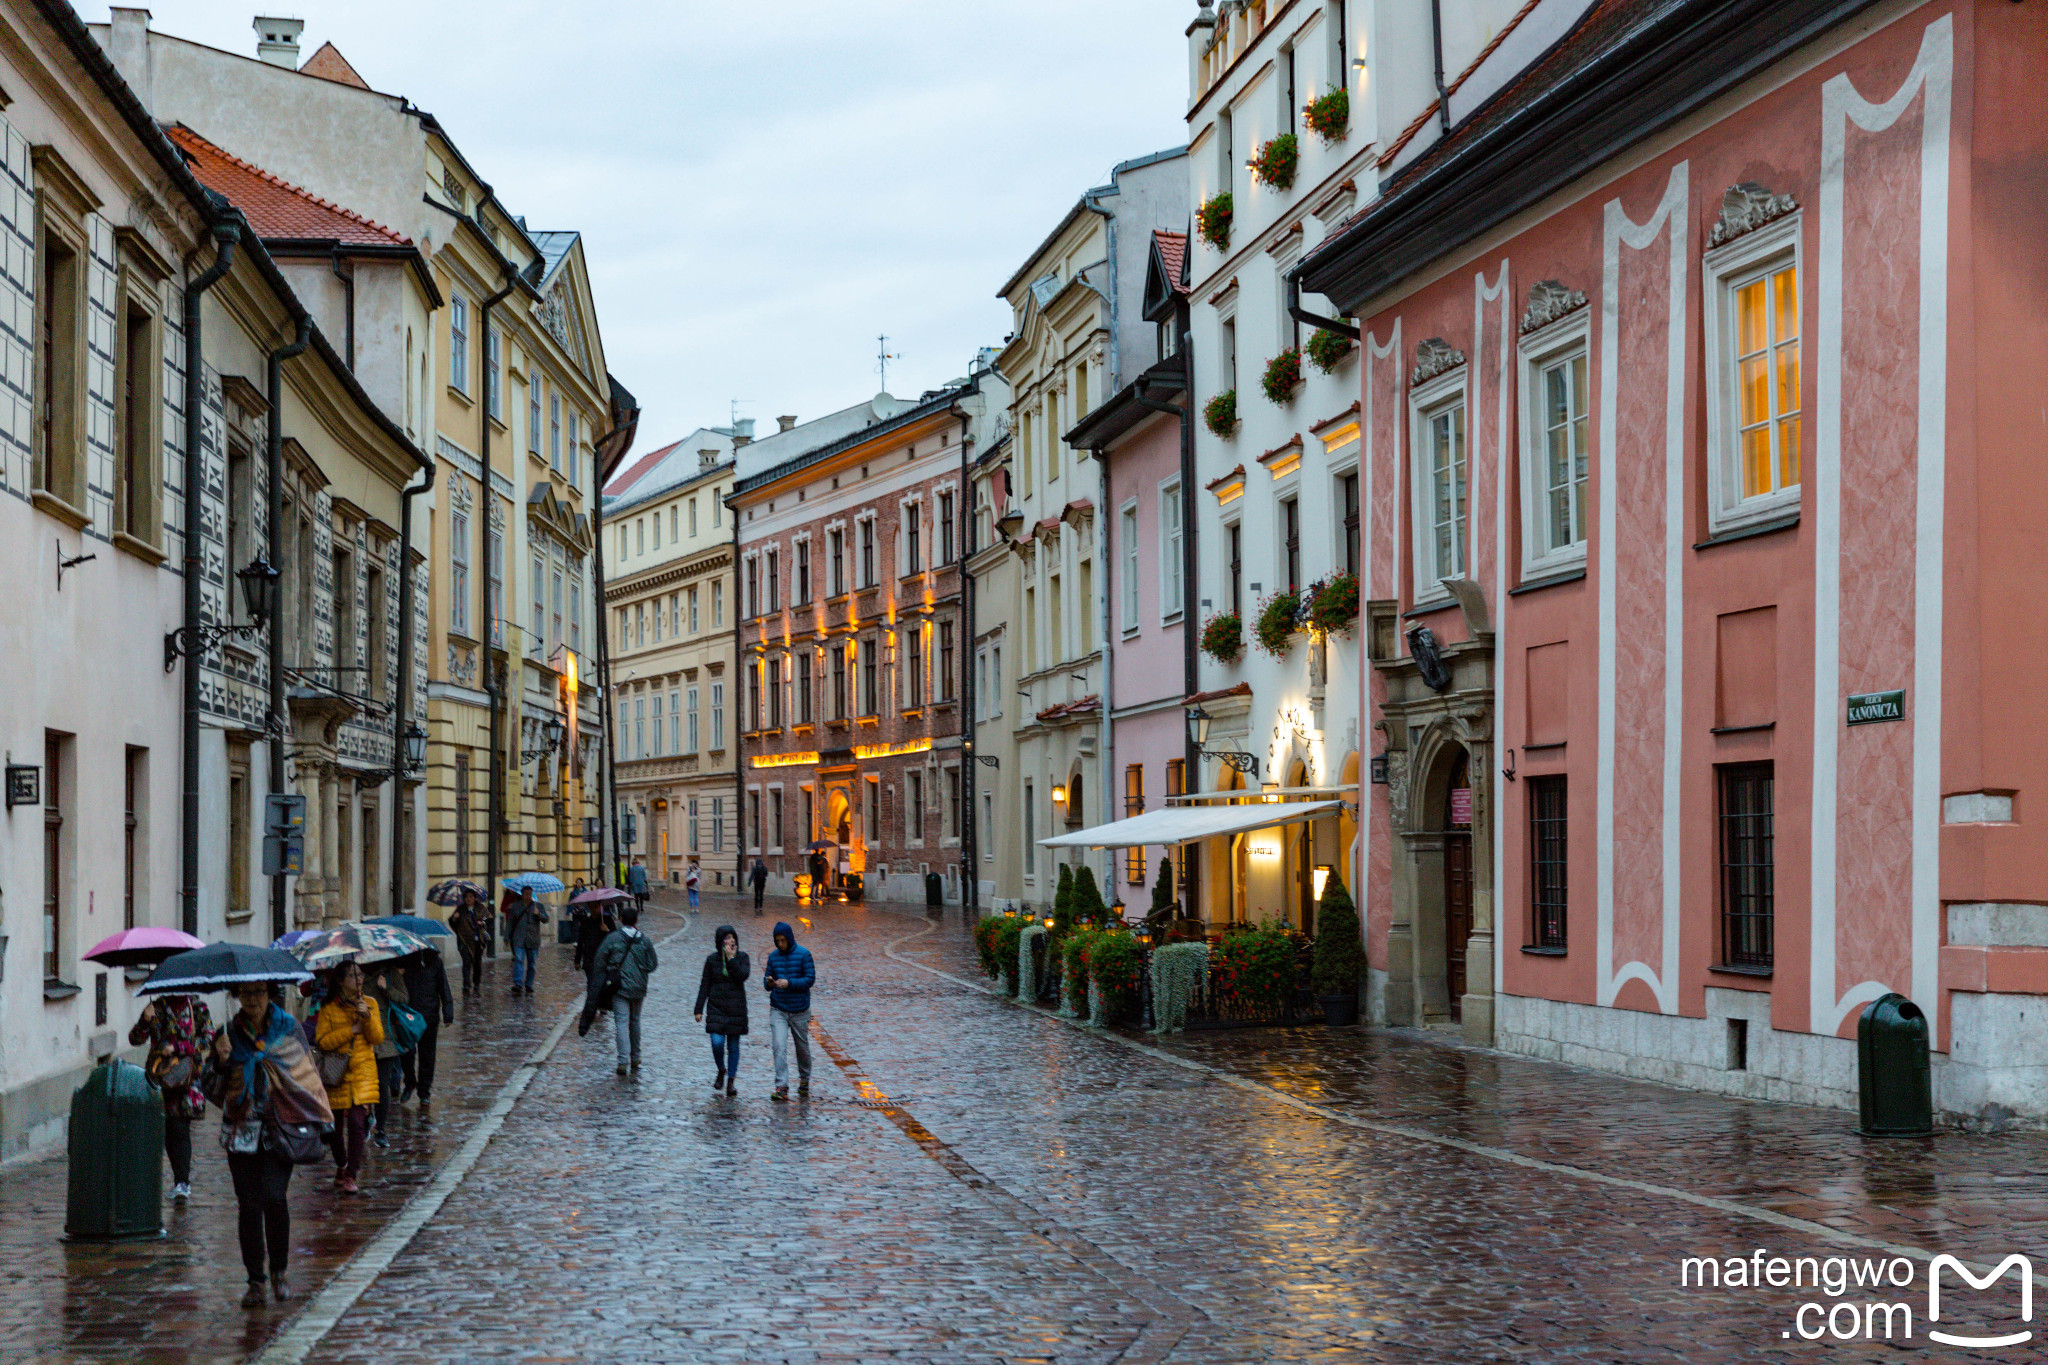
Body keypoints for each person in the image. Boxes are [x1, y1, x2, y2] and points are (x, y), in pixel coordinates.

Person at [202, 983, 302, 1306]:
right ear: (237, 997)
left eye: (259, 992)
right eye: (246, 994)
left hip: (279, 1129)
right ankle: (256, 1281)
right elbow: (209, 1083)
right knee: (248, 1205)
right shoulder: (227, 1033)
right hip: (241, 1131)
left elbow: (306, 1075)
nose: (253, 1000)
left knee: (274, 1197)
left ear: (270, 993)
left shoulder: (288, 1028)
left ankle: (280, 1271)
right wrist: (221, 1062)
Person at [129, 993, 215, 1202]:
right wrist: (144, 1019)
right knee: (167, 1130)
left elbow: (208, 1039)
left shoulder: (197, 1007)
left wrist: (177, 1048)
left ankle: (182, 1182)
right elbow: (135, 1039)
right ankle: (169, 1181)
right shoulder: (157, 1008)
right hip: (161, 1078)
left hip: (187, 1078)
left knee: (180, 1128)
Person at [314, 962, 383, 1194]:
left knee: (356, 1124)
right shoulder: (329, 1008)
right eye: (353, 975)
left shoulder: (370, 1004)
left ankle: (352, 1174)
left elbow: (377, 1038)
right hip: (336, 1073)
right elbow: (322, 1041)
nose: (359, 978)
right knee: (333, 1129)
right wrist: (350, 1031)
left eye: (360, 974)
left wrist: (367, 1018)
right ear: (341, 981)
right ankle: (341, 1164)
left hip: (363, 1073)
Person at [593, 904, 659, 1076]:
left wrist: (609, 969)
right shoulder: (644, 940)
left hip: (619, 986)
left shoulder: (613, 938)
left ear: (621, 920)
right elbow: (653, 964)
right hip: (638, 987)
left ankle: (623, 1061)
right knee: (635, 1021)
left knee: (621, 1022)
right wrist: (640, 970)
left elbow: (599, 959)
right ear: (636, 920)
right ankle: (636, 1057)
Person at [762, 920, 816, 1102]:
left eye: (783, 940)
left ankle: (805, 1079)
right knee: (779, 1045)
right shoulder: (773, 957)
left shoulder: (804, 955)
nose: (781, 944)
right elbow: (766, 983)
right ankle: (781, 1086)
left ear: (790, 938)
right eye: (778, 941)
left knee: (802, 1047)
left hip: (800, 1009)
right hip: (779, 1008)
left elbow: (810, 979)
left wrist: (789, 983)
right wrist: (769, 982)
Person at [693, 925, 749, 1097]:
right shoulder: (712, 960)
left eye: (733, 938)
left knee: (733, 1046)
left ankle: (731, 1081)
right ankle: (721, 1069)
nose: (731, 941)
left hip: (735, 1008)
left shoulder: (742, 957)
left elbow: (743, 976)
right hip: (716, 1007)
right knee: (717, 1042)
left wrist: (731, 960)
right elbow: (705, 984)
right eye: (727, 938)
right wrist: (698, 1008)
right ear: (720, 942)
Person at [400, 945, 455, 1103]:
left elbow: (443, 986)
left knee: (427, 1055)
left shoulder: (434, 961)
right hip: (408, 1016)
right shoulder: (403, 960)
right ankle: (410, 1083)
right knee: (406, 1053)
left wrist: (448, 1012)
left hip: (429, 1015)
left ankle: (424, 1091)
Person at [366, 966, 411, 1146]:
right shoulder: (354, 975)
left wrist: (386, 988)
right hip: (363, 1040)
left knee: (382, 1086)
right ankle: (366, 1120)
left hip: (386, 1041)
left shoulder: (390, 974)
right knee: (364, 1086)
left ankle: (381, 1129)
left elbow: (404, 999)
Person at [504, 890, 549, 996]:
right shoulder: (516, 906)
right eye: (525, 894)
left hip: (533, 939)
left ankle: (529, 984)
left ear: (532, 894)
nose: (527, 896)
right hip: (519, 938)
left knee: (532, 964)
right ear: (522, 895)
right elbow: (510, 922)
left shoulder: (538, 906)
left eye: (530, 894)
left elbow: (546, 919)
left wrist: (539, 914)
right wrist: (507, 936)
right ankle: (518, 983)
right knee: (519, 960)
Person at [448, 889, 487, 995]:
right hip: (464, 941)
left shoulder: (480, 908)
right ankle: (466, 985)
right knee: (466, 963)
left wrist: (482, 923)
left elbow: (487, 919)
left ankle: (477, 983)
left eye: (471, 897)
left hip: (478, 941)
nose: (469, 899)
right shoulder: (460, 910)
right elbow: (453, 924)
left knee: (477, 964)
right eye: (466, 897)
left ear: (475, 898)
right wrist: (454, 919)